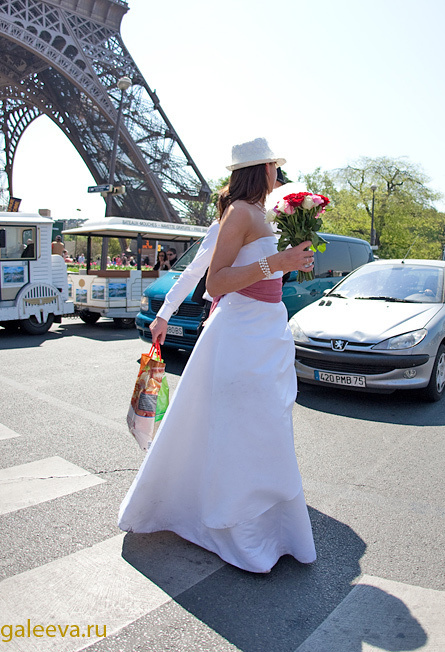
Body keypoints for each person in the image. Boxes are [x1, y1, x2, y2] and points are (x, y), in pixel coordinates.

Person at [118, 137, 317, 573]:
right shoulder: (241, 213)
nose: (278, 173)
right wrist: (277, 263)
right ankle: (238, 521)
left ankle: (257, 514)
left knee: (259, 426)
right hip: (242, 330)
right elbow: (210, 280)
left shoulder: (259, 213)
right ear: (261, 169)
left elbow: (253, 268)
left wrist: (292, 261)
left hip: (264, 328)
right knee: (249, 426)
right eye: (273, 166)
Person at [148, 174, 288, 347]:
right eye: (274, 188)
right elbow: (194, 271)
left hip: (260, 320)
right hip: (227, 311)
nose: (276, 195)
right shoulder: (226, 223)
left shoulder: (273, 225)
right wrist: (164, 314)